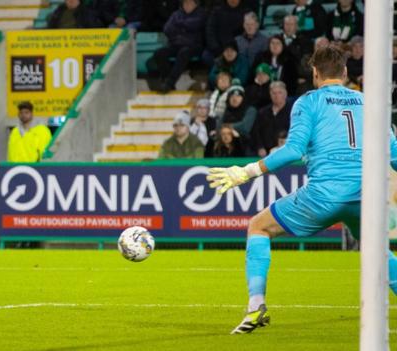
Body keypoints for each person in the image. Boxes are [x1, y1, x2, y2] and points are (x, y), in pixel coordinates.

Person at [206, 45, 397, 334]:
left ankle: (256, 306)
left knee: (258, 227)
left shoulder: (308, 102)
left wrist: (246, 172)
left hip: (323, 196)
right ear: (345, 73)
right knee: (379, 251)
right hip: (365, 198)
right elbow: (394, 156)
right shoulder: (371, 102)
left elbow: (293, 150)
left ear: (315, 74)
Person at [149, 0, 206, 93]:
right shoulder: (176, 14)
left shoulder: (201, 14)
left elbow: (194, 25)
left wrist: (178, 25)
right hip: (176, 44)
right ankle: (168, 82)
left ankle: (169, 82)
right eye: (185, 3)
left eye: (190, 3)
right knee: (159, 53)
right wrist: (183, 29)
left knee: (184, 52)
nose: (187, 5)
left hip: (194, 45)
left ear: (196, 4)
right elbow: (167, 29)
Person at [251, 81, 292, 157]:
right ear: (270, 95)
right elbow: (256, 132)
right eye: (274, 93)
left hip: (286, 151)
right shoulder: (262, 112)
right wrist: (260, 147)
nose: (276, 96)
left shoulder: (293, 112)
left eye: (279, 93)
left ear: (285, 94)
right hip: (265, 153)